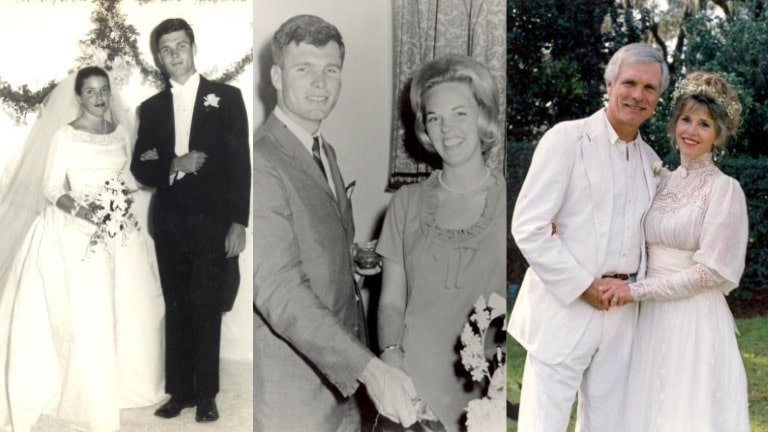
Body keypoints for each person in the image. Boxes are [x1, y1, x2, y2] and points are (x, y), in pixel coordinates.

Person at [253, 14, 421, 431]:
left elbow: (309, 244)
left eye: (331, 70)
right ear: (276, 75)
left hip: (342, 391)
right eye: (304, 69)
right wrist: (371, 369)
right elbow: (278, 287)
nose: (320, 83)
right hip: (293, 390)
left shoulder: (323, 150)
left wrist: (351, 261)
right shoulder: (260, 159)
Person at [508, 42, 669, 431]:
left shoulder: (652, 163)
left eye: (650, 89)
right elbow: (528, 226)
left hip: (622, 314)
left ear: (658, 98)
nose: (638, 95)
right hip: (565, 308)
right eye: (629, 82)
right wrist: (584, 286)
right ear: (609, 84)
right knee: (542, 424)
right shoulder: (567, 139)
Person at [0, 66, 165, 432]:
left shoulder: (119, 131)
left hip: (117, 223)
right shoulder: (66, 135)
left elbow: (125, 178)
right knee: (92, 310)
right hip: (77, 226)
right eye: (90, 91)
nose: (98, 97)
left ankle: (128, 384)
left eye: (103, 90)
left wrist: (127, 197)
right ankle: (88, 392)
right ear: (79, 97)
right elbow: (52, 186)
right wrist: (85, 211)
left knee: (135, 302)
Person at [599, 71, 751, 431]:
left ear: (718, 136)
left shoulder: (724, 190)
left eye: (704, 124)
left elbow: (709, 272)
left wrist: (635, 291)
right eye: (686, 119)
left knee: (684, 410)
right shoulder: (658, 178)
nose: (691, 131)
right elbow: (614, 210)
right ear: (673, 123)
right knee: (643, 408)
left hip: (692, 319)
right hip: (647, 318)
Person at [374, 53, 506, 432]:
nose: (447, 129)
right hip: (412, 395)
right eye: (435, 118)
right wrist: (391, 357)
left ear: (482, 117)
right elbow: (391, 302)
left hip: (486, 397)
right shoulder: (405, 202)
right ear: (425, 129)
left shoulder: (518, 203)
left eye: (460, 113)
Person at [130, 18, 251, 423]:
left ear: (193, 47)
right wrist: (174, 164)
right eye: (166, 49)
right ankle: (178, 392)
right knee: (178, 306)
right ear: (159, 58)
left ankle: (207, 395)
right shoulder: (150, 108)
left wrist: (239, 222)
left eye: (180, 45)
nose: (174, 54)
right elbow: (141, 167)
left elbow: (240, 164)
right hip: (169, 223)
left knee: (207, 306)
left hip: (214, 222)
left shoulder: (227, 97)